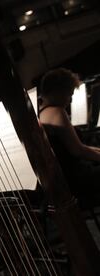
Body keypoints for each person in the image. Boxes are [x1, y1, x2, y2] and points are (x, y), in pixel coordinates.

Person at [39, 68, 100, 199]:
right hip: (75, 180)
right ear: (57, 91)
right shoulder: (56, 111)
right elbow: (78, 150)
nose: (70, 100)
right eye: (69, 95)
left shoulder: (41, 112)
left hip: (64, 178)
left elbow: (78, 147)